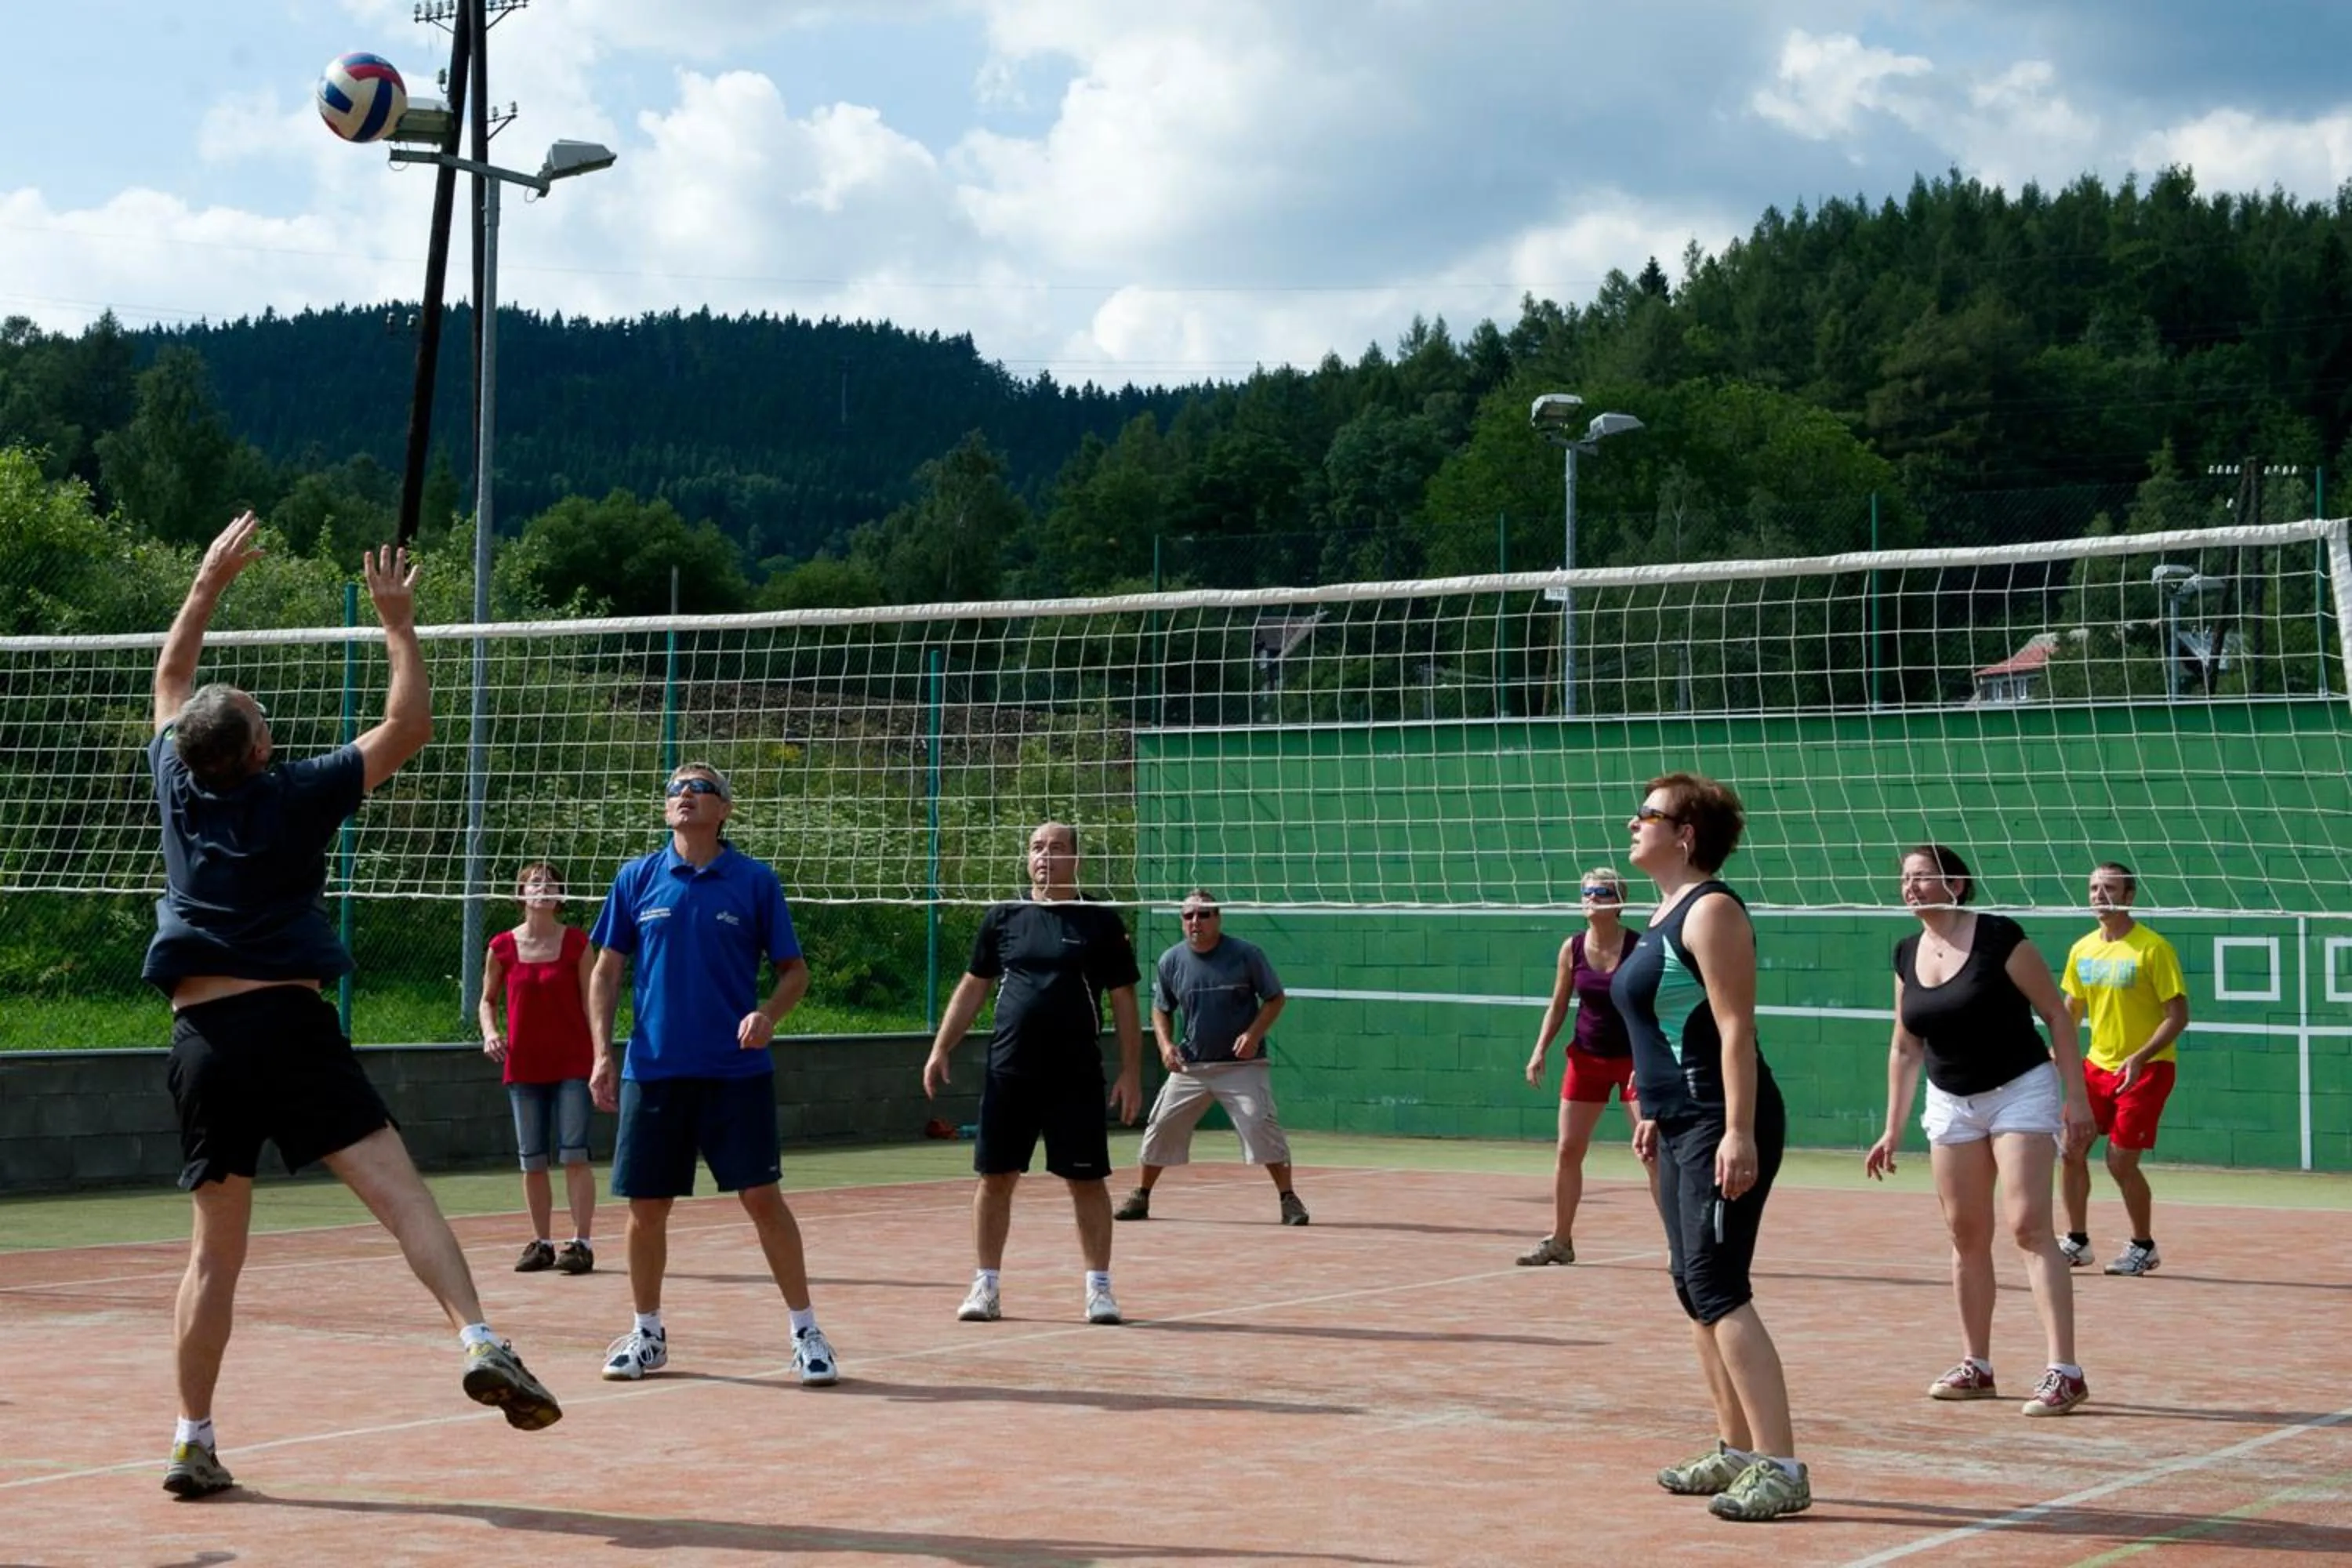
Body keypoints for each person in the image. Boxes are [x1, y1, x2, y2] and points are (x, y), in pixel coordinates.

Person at [149, 514, 561, 1501]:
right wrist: (399, 623)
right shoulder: (297, 792)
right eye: (256, 713)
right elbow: (410, 725)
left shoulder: (178, 778)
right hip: (287, 1026)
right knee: (402, 1194)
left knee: (214, 1254)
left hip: (202, 1035)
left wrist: (205, 587)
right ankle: (478, 1335)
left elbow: (171, 680)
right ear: (258, 746)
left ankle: (191, 1436)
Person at [586, 761, 837, 1387]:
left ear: (724, 808)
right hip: (656, 1069)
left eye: (699, 788)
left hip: (736, 1072)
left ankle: (807, 1332)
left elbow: (794, 971)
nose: (685, 796)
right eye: (674, 789)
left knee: (761, 1198)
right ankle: (647, 1333)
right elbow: (606, 971)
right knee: (647, 1206)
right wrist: (600, 1053)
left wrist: (768, 1014)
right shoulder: (637, 878)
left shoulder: (753, 881)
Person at [1613, 772, 1809, 1523]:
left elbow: (1734, 1028)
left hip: (1719, 1120)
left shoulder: (1711, 910)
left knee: (1720, 1285)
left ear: (1684, 835)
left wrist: (1735, 1129)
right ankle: (1734, 1451)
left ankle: (1783, 1467)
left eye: (1649, 815)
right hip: (1677, 1121)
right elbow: (1661, 1026)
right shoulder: (1662, 912)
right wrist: (1651, 1112)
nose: (1634, 823)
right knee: (1692, 1288)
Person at [1864, 845, 2099, 1417]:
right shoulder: (1905, 953)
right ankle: (1978, 1366)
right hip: (1951, 1101)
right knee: (1966, 1233)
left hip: (2020, 1088)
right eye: (1905, 878)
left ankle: (2064, 1371)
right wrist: (1891, 1128)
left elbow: (2057, 1015)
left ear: (1958, 884)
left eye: (1923, 876)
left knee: (2027, 1227)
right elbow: (1905, 1045)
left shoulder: (1999, 937)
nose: (1910, 886)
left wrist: (2076, 1098)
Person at [923, 822, 1145, 1325]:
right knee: (995, 1176)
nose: (1045, 856)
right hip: (1011, 1071)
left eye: (1057, 848)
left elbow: (1124, 999)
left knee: (1085, 1182)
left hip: (1076, 1074)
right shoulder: (1005, 916)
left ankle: (1100, 1290)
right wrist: (941, 1048)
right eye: (1037, 848)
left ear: (1076, 860)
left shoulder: (1099, 920)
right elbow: (974, 987)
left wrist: (1132, 1071)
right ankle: (986, 1286)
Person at [1112, 890, 1306, 1226]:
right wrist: (1165, 1046)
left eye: (1203, 915)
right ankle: (1141, 1195)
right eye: (1188, 916)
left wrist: (1253, 1034)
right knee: (1161, 1124)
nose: (1195, 922)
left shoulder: (1246, 955)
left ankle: (1288, 1199)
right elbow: (1161, 1010)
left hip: (1241, 1067)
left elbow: (1275, 999)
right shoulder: (1171, 960)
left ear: (1218, 918)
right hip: (1193, 1066)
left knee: (1260, 1122)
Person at [2057, 862, 2190, 1277]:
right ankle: (2076, 1242)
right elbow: (2070, 1011)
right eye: (2094, 888)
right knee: (2070, 1148)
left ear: (2129, 897)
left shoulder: (2153, 948)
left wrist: (2140, 1057)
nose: (2100, 895)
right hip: (2096, 1066)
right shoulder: (2082, 949)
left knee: (2120, 1161)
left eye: (2110, 888)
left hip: (2148, 1069)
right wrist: (2057, 1053)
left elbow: (2178, 1015)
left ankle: (2142, 1247)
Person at [1518, 866, 1647, 1265]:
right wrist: (1540, 1049)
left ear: (1619, 902)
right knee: (1568, 1149)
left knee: (1652, 1152)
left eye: (1601, 892)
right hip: (1586, 1058)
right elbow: (1558, 1005)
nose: (1590, 897)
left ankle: (1682, 1248)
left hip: (1632, 1063)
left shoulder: (1640, 949)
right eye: (1586, 891)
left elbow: (1652, 1012)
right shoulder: (1571, 948)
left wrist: (1648, 1060)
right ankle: (1561, 1240)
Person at [480, 862, 597, 1275]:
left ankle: (581, 1243)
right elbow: (487, 1000)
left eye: (550, 884)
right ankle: (542, 1243)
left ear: (560, 897)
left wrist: (603, 1056)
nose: (542, 889)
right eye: (534, 883)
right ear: (521, 894)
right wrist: (490, 1032)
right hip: (524, 1064)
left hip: (572, 1063)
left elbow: (593, 1004)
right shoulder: (502, 947)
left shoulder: (578, 945)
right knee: (531, 1159)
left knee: (574, 1153)